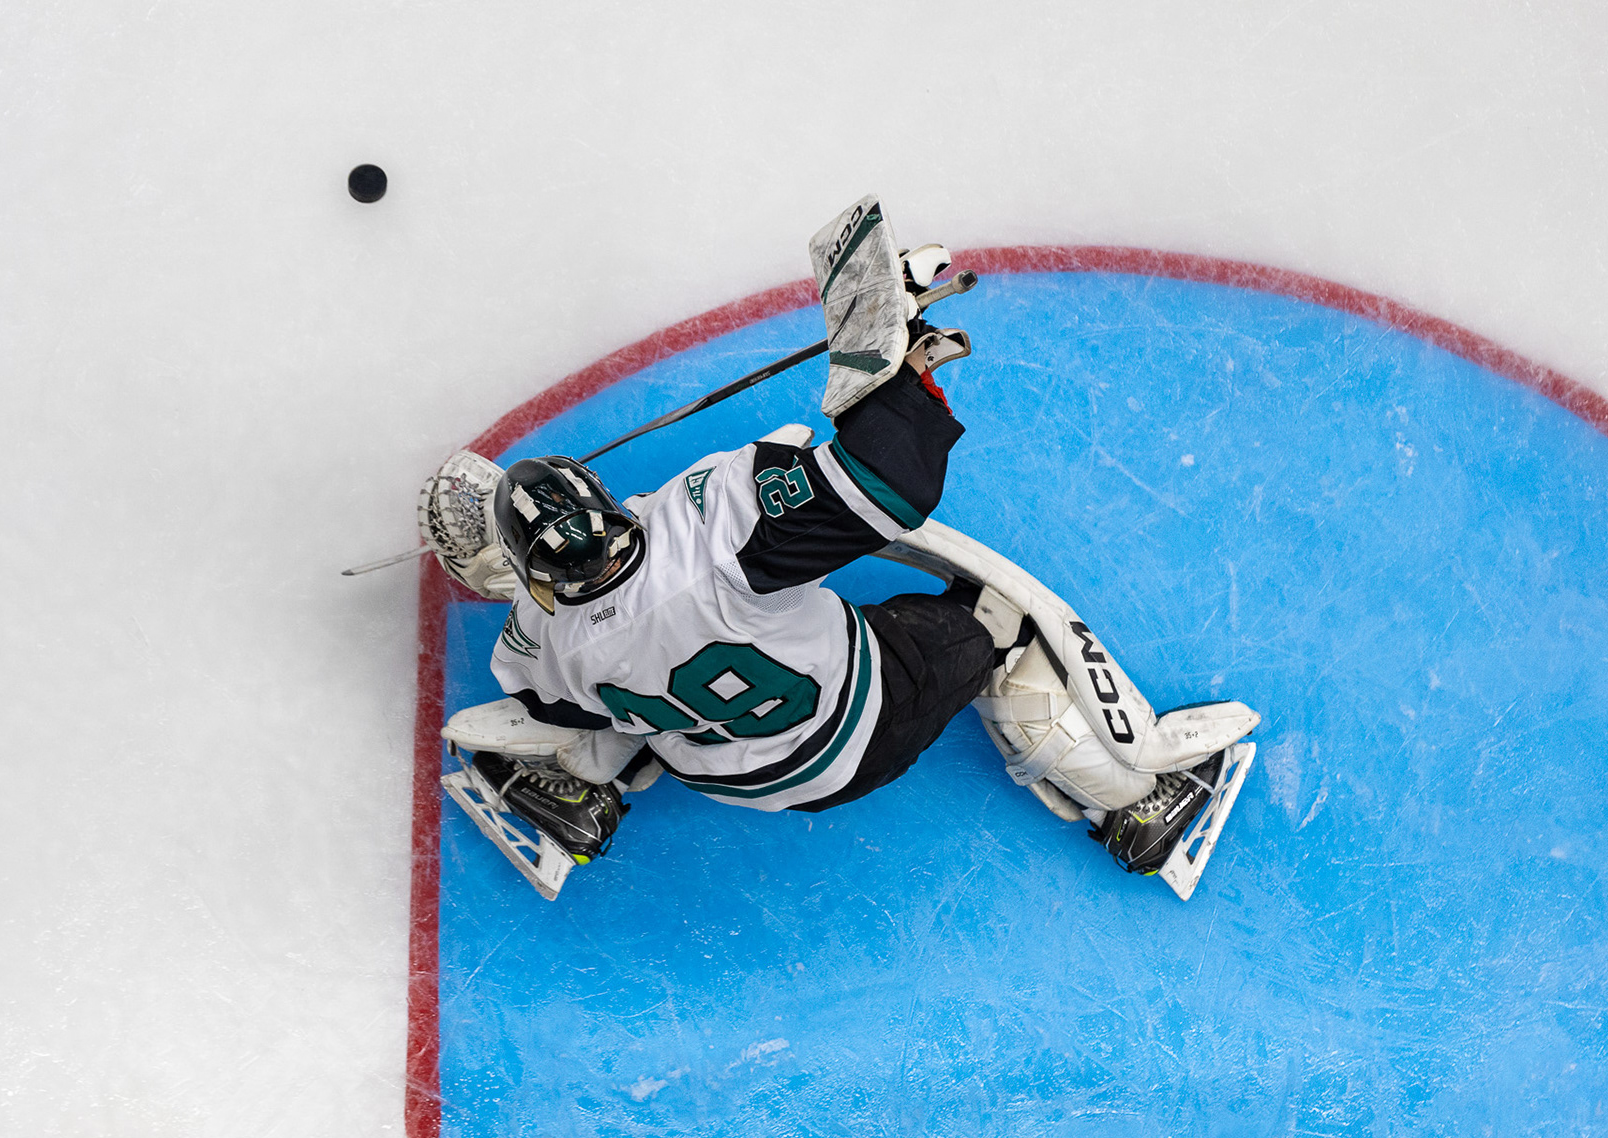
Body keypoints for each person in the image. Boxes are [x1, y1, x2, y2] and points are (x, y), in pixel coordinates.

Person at [430, 198, 1257, 899]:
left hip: (723, 777)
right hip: (859, 729)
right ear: (606, 505)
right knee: (996, 624)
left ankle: (578, 796)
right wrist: (896, 374)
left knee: (611, 700)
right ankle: (1132, 805)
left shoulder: (535, 641)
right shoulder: (713, 526)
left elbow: (561, 690)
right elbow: (889, 487)